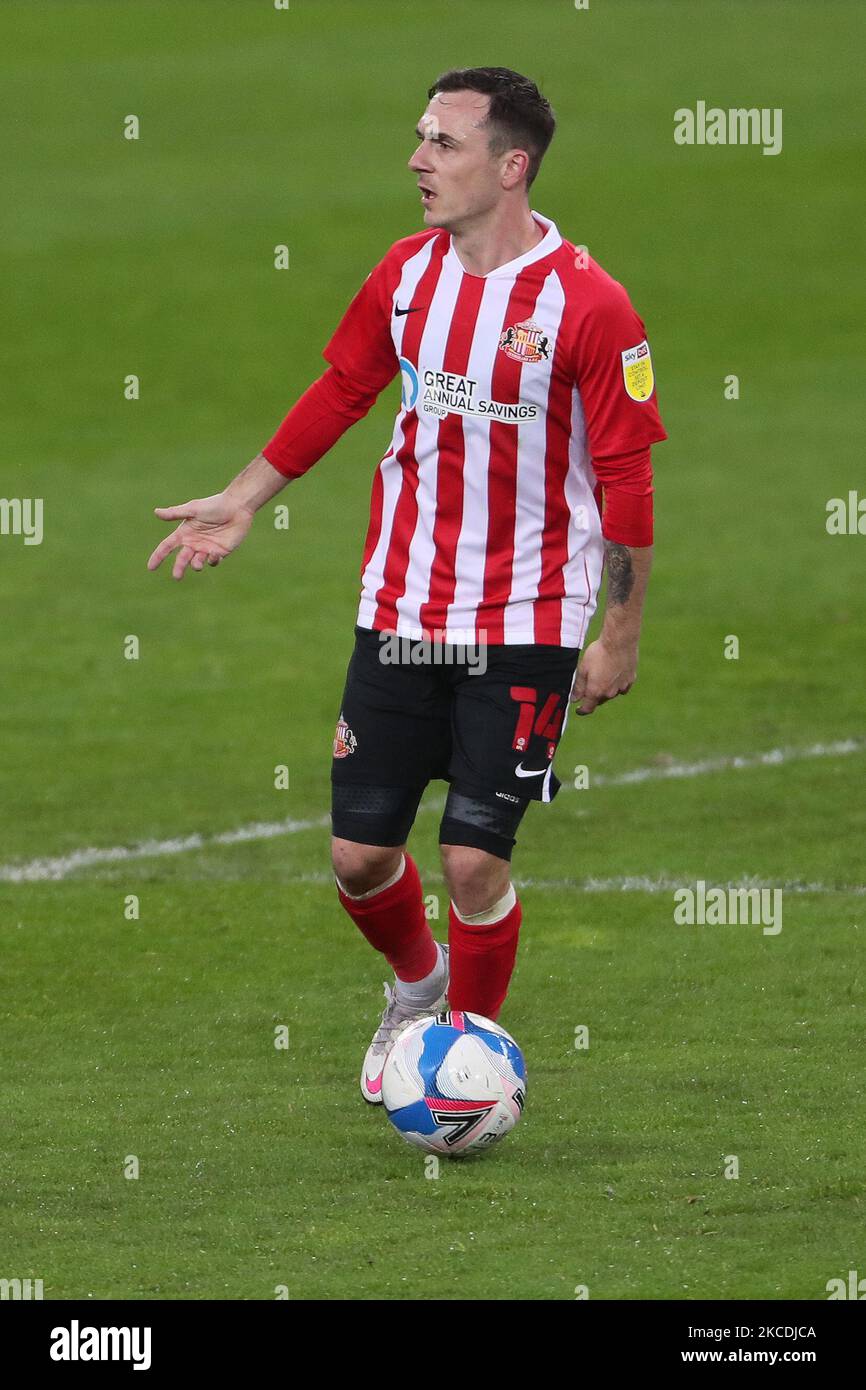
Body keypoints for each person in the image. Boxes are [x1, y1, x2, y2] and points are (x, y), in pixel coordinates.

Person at [147, 67, 667, 1105]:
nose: (417, 159)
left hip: (524, 619)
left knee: (472, 866)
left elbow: (624, 477)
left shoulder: (589, 305)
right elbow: (345, 383)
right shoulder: (405, 274)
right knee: (356, 856)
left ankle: (468, 1063)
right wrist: (245, 498)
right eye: (419, 136)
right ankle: (417, 987)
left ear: (509, 166)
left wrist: (618, 634)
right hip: (398, 609)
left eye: (442, 142)